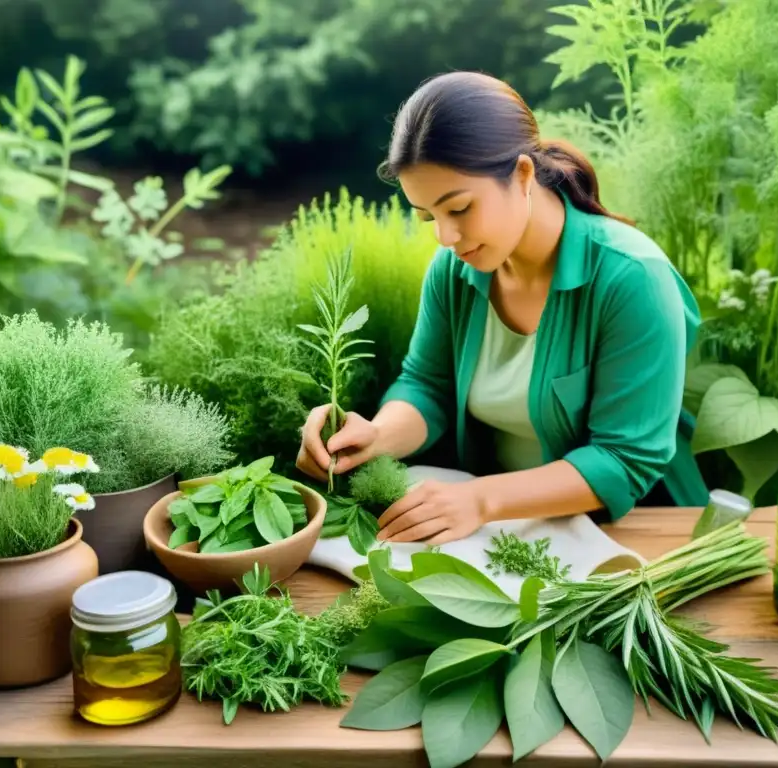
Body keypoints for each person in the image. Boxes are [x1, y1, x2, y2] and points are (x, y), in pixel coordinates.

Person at [297, 70, 708, 546]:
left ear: (523, 175)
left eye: (460, 208)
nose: (445, 238)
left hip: (637, 539)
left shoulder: (631, 277)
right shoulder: (455, 271)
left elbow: (623, 459)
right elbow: (427, 386)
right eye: (428, 216)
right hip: (508, 535)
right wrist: (377, 436)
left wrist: (481, 500)